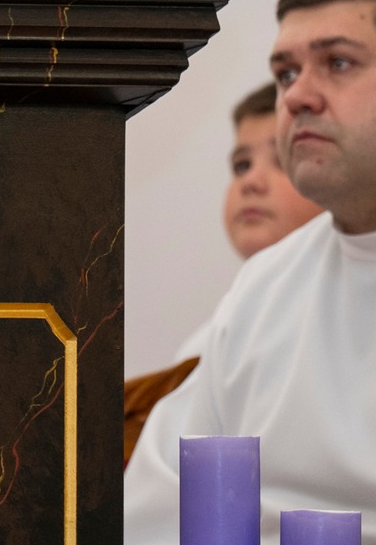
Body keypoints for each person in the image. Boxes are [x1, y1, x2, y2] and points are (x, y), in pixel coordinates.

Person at [122, 0, 376, 545]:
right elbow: (154, 520)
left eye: (338, 63)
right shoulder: (264, 286)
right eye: (285, 73)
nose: (296, 96)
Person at [126, 83, 326, 463]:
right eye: (241, 165)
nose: (251, 182)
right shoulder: (211, 336)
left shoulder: (324, 319)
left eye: (282, 161)